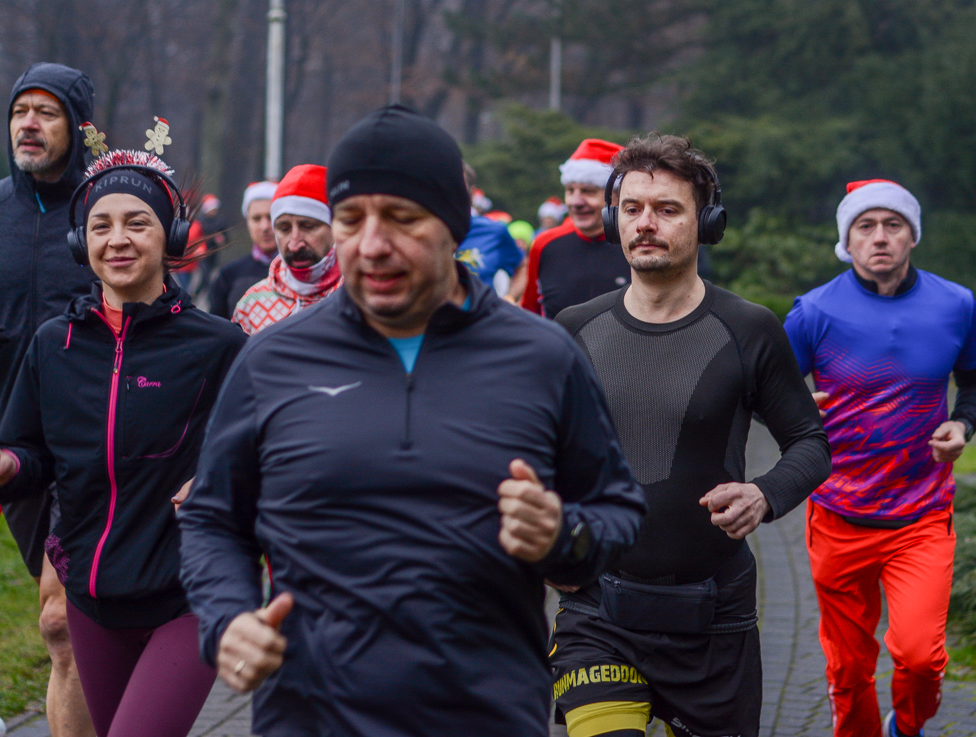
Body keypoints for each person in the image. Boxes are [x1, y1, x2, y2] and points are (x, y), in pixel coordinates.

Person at [178, 105, 646, 736]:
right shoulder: (273, 359)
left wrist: (563, 537)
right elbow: (212, 519)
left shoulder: (542, 356)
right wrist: (228, 618)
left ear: (454, 226)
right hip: (310, 718)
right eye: (350, 220)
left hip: (485, 716)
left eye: (401, 218)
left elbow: (615, 512)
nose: (371, 244)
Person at [549, 134, 830, 737]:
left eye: (667, 209)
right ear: (611, 218)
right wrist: (546, 542)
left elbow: (810, 441)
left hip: (713, 619)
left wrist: (765, 493)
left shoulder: (749, 329)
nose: (645, 224)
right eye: (631, 209)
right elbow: (534, 450)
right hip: (596, 610)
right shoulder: (572, 330)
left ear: (707, 222)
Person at [0, 147, 246, 737]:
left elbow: (260, 454)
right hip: (92, 600)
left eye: (137, 222)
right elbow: (31, 454)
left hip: (186, 595)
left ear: (173, 236)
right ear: (79, 243)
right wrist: (8, 465)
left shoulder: (220, 347)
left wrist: (215, 479)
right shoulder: (52, 345)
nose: (117, 239)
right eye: (100, 225)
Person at [784, 179, 976, 737]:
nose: (880, 237)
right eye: (865, 226)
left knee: (920, 657)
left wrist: (962, 422)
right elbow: (762, 392)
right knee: (849, 667)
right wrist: (790, 409)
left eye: (892, 225)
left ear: (913, 236)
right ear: (846, 241)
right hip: (837, 514)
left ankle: (908, 726)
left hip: (922, 516)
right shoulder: (813, 312)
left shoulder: (955, 304)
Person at [0, 62, 97, 737]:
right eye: (19, 111)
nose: (28, 124)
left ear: (79, 127)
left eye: (47, 112)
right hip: (14, 450)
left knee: (63, 623)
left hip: (92, 439)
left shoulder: (108, 209)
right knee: (79, 630)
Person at [521, 139, 632, 319]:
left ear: (618, 195)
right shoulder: (545, 244)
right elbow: (529, 315)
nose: (575, 202)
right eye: (570, 190)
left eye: (588, 191)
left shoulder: (638, 242)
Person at [232, 164, 341, 335]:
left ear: (335, 227)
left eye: (308, 226)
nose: (294, 244)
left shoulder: (361, 298)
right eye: (284, 229)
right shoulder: (252, 304)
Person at [206, 181, 277, 319]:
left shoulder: (301, 274)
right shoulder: (227, 276)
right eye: (256, 219)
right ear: (247, 221)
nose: (265, 226)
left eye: (271, 217)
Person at [456, 162, 525, 294]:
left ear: (472, 193)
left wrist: (510, 299)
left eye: (458, 185)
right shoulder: (424, 230)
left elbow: (522, 266)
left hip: (480, 313)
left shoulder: (494, 231)